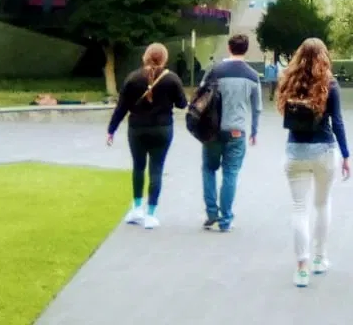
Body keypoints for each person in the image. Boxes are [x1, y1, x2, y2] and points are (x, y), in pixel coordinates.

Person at [276, 38, 352, 288]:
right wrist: (346, 155)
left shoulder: (290, 81)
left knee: (299, 208)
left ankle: (301, 267)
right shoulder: (329, 84)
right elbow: (337, 122)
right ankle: (320, 258)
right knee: (322, 204)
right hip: (323, 150)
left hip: (295, 150)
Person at [106, 43, 188, 230]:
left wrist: (111, 130)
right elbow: (182, 104)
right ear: (164, 58)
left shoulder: (133, 78)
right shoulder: (171, 79)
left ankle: (136, 209)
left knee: (138, 167)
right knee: (156, 169)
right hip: (162, 128)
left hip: (137, 129)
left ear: (145, 56)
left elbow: (121, 107)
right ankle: (151, 214)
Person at [199, 34, 262, 233]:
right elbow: (257, 107)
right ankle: (226, 219)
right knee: (231, 172)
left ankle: (212, 213)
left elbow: (201, 95)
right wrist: (254, 131)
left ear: (229, 47)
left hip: (212, 129)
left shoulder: (215, 70)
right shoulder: (252, 76)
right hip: (236, 130)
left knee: (208, 168)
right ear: (246, 49)